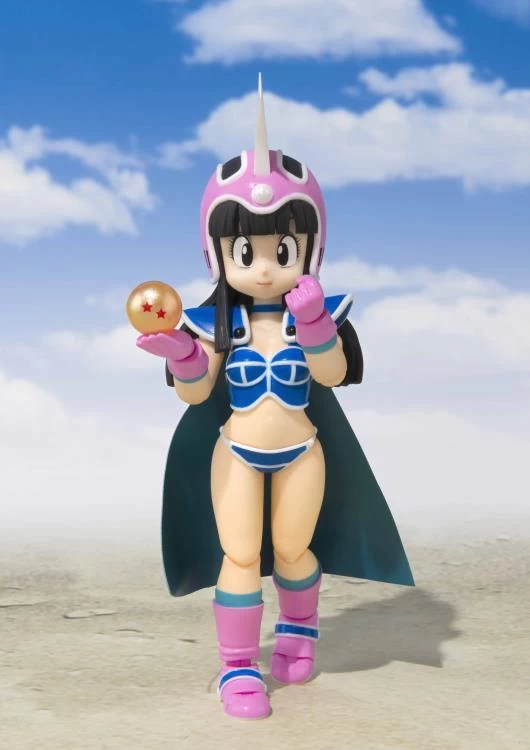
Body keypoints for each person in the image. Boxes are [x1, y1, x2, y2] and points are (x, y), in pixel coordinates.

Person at [135, 76, 414, 720]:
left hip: (301, 451)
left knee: (292, 549)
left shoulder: (310, 315)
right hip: (236, 451)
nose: (263, 266)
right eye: (246, 250)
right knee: (239, 553)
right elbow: (197, 392)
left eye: (281, 249)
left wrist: (314, 323)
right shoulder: (220, 324)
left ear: (310, 248)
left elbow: (332, 375)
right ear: (218, 253)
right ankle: (237, 666)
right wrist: (180, 354)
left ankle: (298, 633)